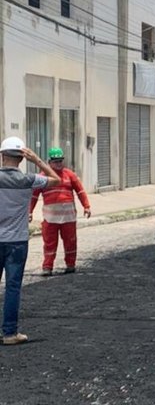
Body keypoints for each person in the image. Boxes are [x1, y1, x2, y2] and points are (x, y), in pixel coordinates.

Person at [0, 136, 60, 345]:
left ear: (2, 156)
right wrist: (38, 161)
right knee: (13, 287)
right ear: (22, 158)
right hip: (17, 241)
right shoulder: (28, 180)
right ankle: (9, 334)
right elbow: (56, 180)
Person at [29, 147, 91, 276]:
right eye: (55, 161)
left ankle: (70, 265)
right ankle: (47, 267)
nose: (58, 164)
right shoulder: (42, 177)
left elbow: (80, 191)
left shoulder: (70, 175)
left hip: (68, 217)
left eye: (60, 161)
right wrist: (29, 212)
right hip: (50, 217)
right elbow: (34, 196)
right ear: (49, 162)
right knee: (49, 242)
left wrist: (86, 206)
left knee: (70, 241)